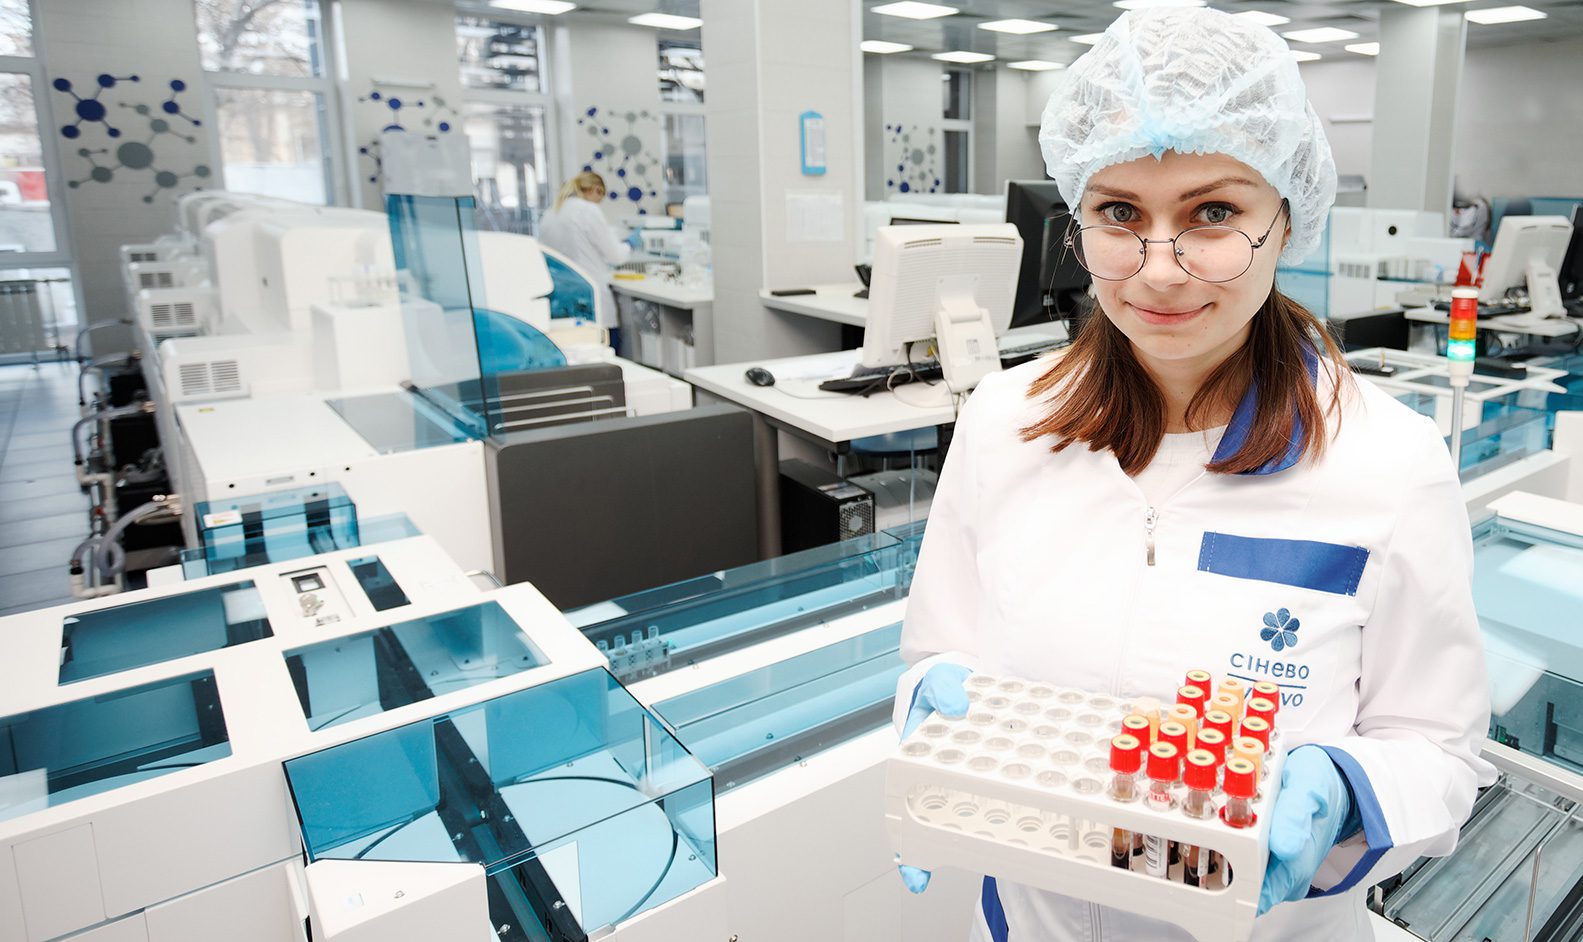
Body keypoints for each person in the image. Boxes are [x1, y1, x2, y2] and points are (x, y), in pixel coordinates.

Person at [892, 8, 1494, 941]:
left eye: (1213, 214)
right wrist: (934, 701)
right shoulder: (1004, 422)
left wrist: (1347, 790)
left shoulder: (1388, 463)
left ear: (1284, 219)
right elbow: (940, 652)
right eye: (1119, 215)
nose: (1159, 271)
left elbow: (1437, 749)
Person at [539, 171, 642, 353]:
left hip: (563, 300)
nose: (598, 202)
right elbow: (616, 255)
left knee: (576, 356)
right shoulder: (588, 211)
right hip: (592, 299)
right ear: (595, 190)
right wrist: (630, 244)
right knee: (606, 353)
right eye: (600, 196)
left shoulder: (551, 212)